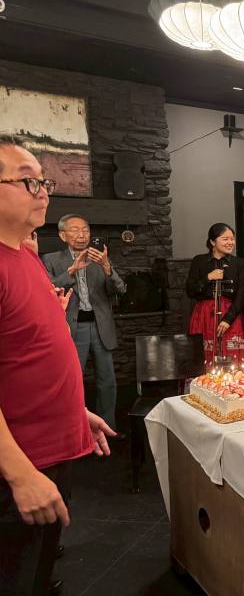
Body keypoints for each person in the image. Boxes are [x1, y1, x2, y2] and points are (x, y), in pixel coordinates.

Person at [0, 136, 114, 595]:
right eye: (28, 181)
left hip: (48, 451)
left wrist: (74, 411)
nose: (43, 190)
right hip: (17, 468)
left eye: (43, 181)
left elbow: (30, 350)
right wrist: (20, 474)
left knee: (38, 570)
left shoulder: (23, 253)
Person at [43, 214, 127, 433]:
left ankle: (106, 427)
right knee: (73, 381)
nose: (81, 235)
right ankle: (74, 429)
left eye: (85, 230)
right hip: (73, 326)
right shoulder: (51, 259)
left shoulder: (99, 258)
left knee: (107, 381)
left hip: (100, 326)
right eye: (75, 230)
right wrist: (72, 269)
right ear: (63, 235)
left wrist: (107, 266)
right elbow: (46, 290)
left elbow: (120, 289)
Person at [186, 223, 244, 365]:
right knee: (203, 356)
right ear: (213, 242)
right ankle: (203, 386)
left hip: (230, 314)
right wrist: (209, 277)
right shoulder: (199, 261)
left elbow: (241, 295)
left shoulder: (239, 263)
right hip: (204, 314)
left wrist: (228, 319)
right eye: (225, 239)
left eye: (232, 239)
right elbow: (190, 291)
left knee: (231, 358)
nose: (230, 242)